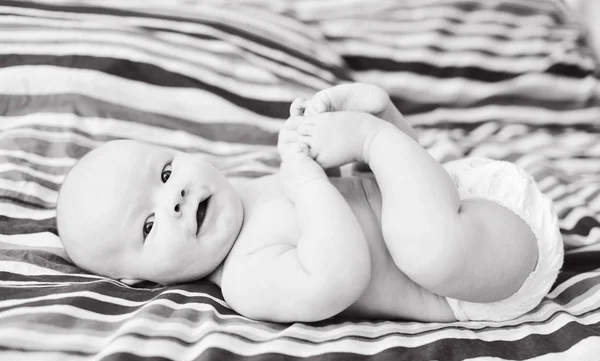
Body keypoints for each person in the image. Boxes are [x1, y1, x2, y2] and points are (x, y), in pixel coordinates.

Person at [56, 83, 564, 323]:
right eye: (147, 225)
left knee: (407, 212)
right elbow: (341, 275)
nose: (175, 197)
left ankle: (381, 126)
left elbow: (377, 196)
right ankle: (375, 136)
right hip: (483, 273)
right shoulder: (245, 279)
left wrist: (322, 138)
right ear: (144, 281)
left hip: (464, 195)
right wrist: (312, 177)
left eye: (166, 172)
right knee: (425, 249)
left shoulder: (252, 187)